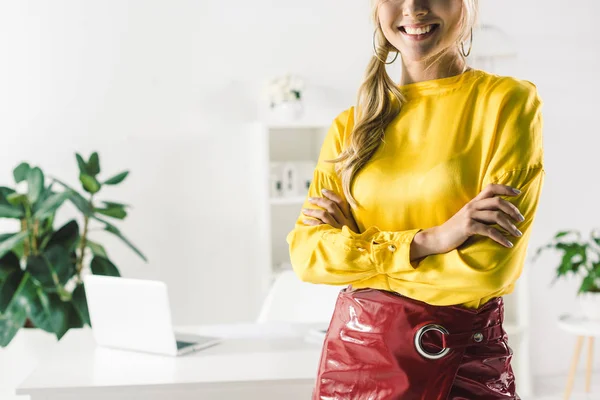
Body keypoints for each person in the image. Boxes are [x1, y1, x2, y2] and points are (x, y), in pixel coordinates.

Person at [285, 0, 545, 399]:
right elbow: (307, 256)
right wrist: (431, 240)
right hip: (355, 362)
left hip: (460, 368)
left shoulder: (506, 103)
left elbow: (486, 269)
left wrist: (358, 253)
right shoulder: (349, 128)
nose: (413, 8)